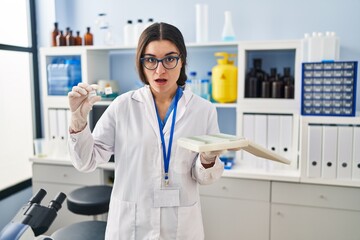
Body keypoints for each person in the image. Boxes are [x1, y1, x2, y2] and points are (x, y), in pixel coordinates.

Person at [67, 22, 224, 240]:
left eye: (169, 59)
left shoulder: (203, 110)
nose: (160, 70)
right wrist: (78, 120)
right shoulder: (123, 106)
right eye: (151, 60)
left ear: (182, 61)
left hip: (181, 227)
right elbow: (87, 161)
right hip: (131, 227)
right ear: (141, 63)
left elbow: (204, 177)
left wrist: (207, 160)